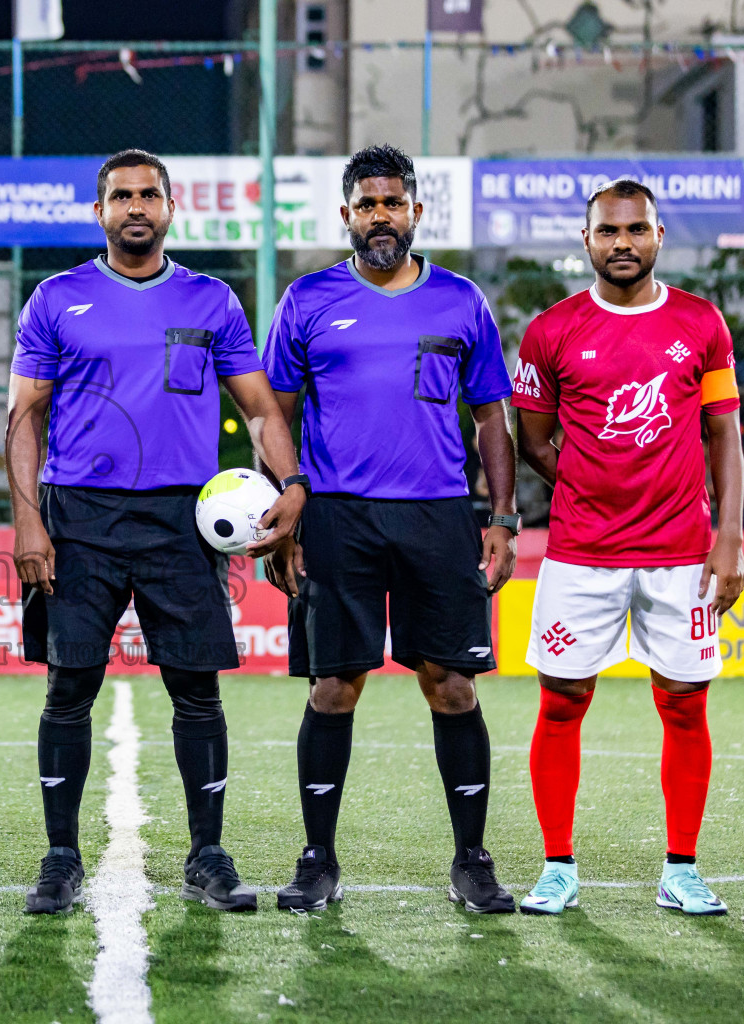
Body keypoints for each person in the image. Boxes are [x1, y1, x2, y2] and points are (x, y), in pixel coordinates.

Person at [8, 149, 306, 914]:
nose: (135, 206)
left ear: (170, 208)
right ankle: (60, 858)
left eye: (149, 195)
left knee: (197, 693)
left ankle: (207, 855)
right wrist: (30, 523)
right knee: (68, 687)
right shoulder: (55, 298)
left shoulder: (213, 301)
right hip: (79, 516)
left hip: (184, 520)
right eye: (120, 196)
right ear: (99, 212)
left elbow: (263, 410)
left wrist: (292, 485)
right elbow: (24, 418)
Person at [261, 144, 519, 914]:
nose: (382, 216)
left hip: (439, 514)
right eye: (368, 204)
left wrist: (502, 517)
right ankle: (318, 860)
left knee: (452, 686)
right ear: (346, 214)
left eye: (394, 203)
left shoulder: (462, 301)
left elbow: (492, 419)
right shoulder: (306, 300)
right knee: (334, 687)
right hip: (336, 514)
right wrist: (288, 507)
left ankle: (471, 859)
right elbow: (271, 413)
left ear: (414, 211)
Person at [513, 177, 744, 917]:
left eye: (636, 230)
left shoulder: (702, 324)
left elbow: (723, 435)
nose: (623, 243)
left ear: (658, 237)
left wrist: (729, 538)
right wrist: (588, 481)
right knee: (561, 703)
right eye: (608, 232)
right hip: (581, 554)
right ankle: (557, 868)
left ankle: (682, 868)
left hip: (683, 553)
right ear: (586, 240)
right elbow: (533, 439)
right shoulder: (550, 331)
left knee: (684, 706)